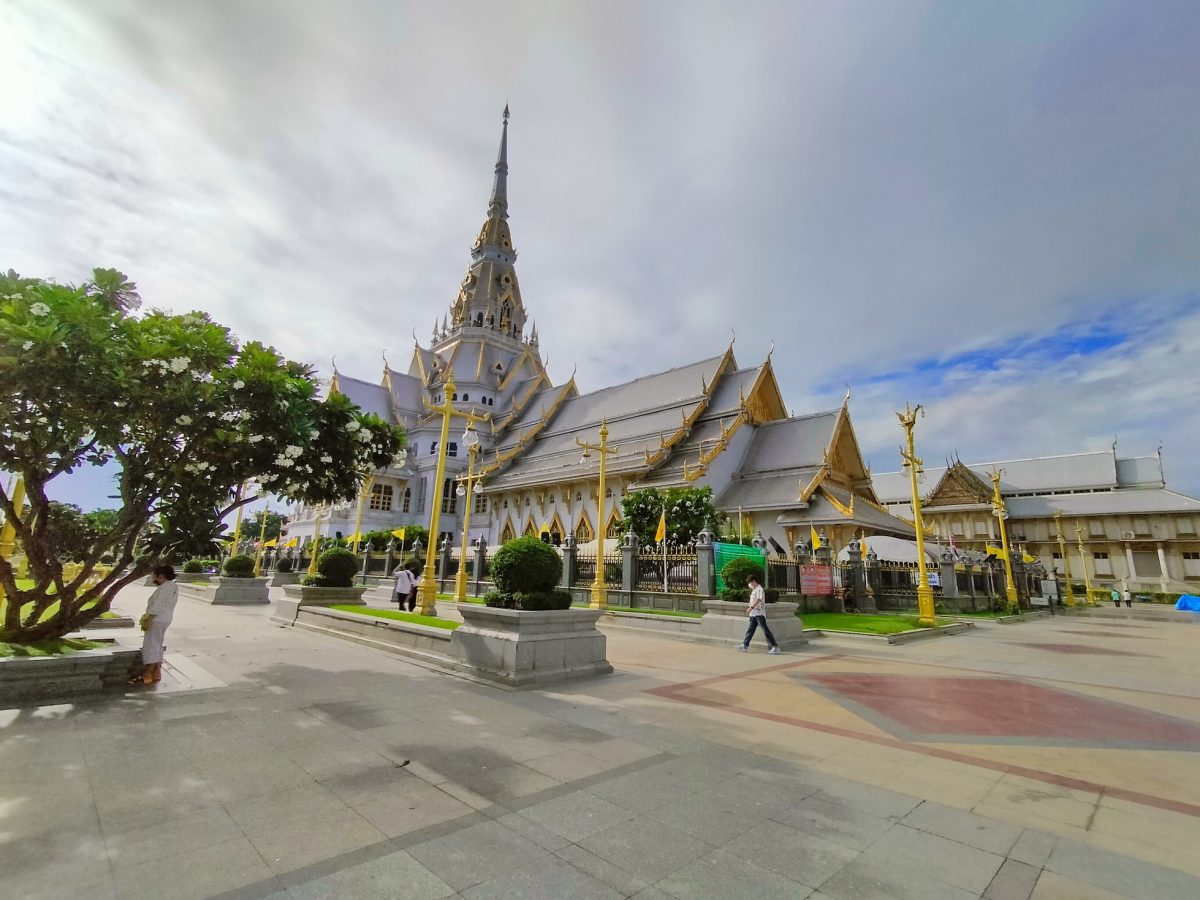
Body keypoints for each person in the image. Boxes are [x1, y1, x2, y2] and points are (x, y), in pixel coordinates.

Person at [130, 564, 178, 685]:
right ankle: (155, 673)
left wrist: (149, 618)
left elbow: (157, 606)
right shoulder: (172, 586)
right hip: (164, 619)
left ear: (161, 576)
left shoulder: (165, 588)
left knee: (152, 645)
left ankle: (147, 673)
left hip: (157, 619)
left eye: (154, 576)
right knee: (157, 644)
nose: (153, 578)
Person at [738, 575, 780, 654]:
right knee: (750, 630)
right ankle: (745, 645)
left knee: (765, 630)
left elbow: (759, 599)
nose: (749, 584)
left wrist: (751, 607)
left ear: (754, 581)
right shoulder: (754, 590)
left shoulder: (760, 589)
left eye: (750, 582)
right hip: (753, 614)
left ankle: (775, 646)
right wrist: (751, 610)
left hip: (759, 614)